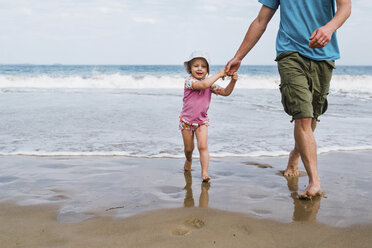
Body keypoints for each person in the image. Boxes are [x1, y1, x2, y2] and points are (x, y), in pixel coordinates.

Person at [225, 0, 351, 198]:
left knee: (313, 116)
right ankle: (314, 181)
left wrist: (329, 28)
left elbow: (345, 7)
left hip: (324, 55)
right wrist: (239, 56)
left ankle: (296, 154)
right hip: (290, 52)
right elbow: (260, 21)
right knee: (303, 114)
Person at [180, 51, 238, 182]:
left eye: (203, 66)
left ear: (207, 70)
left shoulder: (210, 84)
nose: (200, 68)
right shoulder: (189, 81)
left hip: (201, 122)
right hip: (186, 122)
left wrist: (233, 82)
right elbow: (202, 85)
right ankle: (188, 160)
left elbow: (225, 92)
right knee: (189, 149)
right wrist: (219, 74)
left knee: (203, 146)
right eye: (196, 66)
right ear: (190, 69)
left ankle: (204, 173)